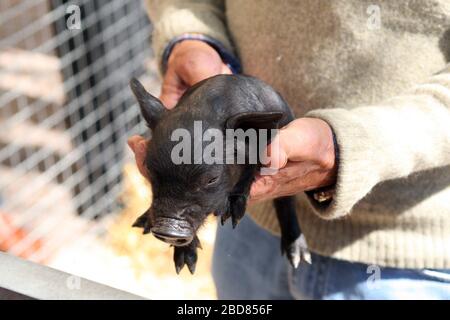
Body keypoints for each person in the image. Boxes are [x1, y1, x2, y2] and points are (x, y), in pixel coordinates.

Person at [128, 0, 450, 299]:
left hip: (401, 255)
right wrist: (190, 35)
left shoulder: (253, 137)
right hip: (246, 230)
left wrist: (355, 145)